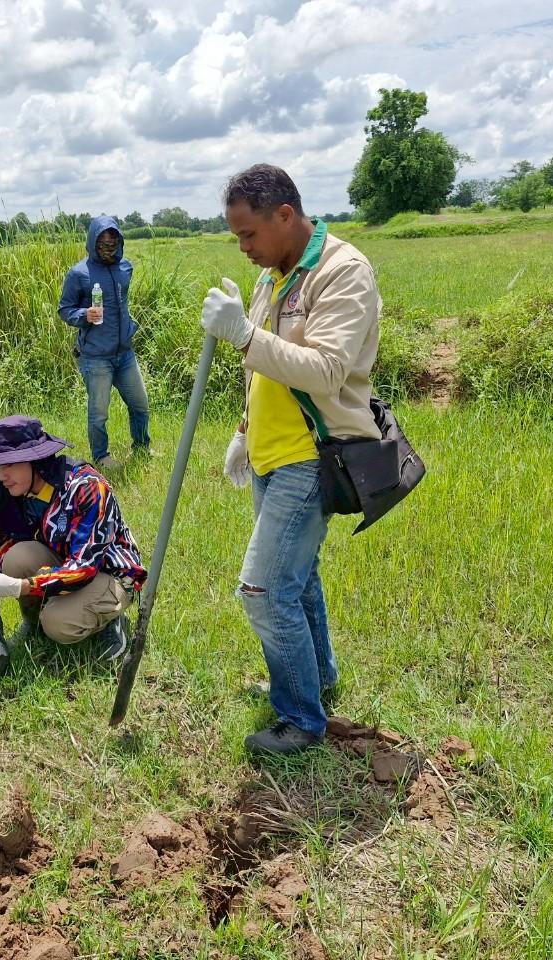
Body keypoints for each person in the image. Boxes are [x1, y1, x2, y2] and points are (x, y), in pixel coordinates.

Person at [199, 164, 381, 755]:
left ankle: (302, 718)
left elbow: (326, 371)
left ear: (285, 215)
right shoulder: (272, 277)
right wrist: (244, 433)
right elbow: (267, 374)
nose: (244, 248)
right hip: (271, 452)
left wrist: (244, 336)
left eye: (249, 234)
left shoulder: (342, 272)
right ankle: (313, 679)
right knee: (297, 584)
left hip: (314, 453)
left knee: (263, 588)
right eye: (236, 237)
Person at [0, 415, 146, 662]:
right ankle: (34, 625)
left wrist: (22, 586)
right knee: (15, 558)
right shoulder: (16, 490)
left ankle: (111, 621)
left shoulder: (86, 487)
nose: (1, 475)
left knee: (58, 623)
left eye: (7, 465)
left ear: (34, 460)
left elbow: (84, 566)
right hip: (63, 562)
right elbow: (1, 540)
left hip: (107, 573)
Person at [57, 216, 151, 469]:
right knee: (99, 413)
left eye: (113, 242)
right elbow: (64, 309)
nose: (108, 247)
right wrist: (84, 315)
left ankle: (142, 448)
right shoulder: (79, 273)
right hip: (96, 357)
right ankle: (101, 456)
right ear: (93, 242)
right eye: (103, 243)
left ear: (119, 242)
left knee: (140, 404)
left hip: (125, 353)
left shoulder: (125, 268)